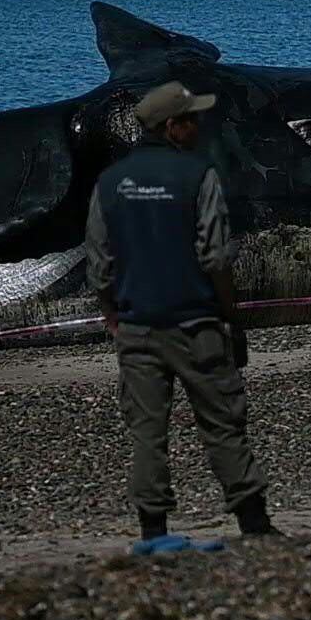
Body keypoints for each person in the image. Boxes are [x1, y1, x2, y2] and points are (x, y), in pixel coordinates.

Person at [84, 81, 279, 545]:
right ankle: (254, 524)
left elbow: (98, 259)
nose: (198, 126)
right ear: (172, 127)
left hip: (136, 327)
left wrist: (113, 315)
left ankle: (153, 530)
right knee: (223, 424)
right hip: (195, 323)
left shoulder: (110, 183)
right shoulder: (198, 176)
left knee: (147, 433)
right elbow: (215, 255)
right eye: (191, 118)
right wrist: (230, 313)